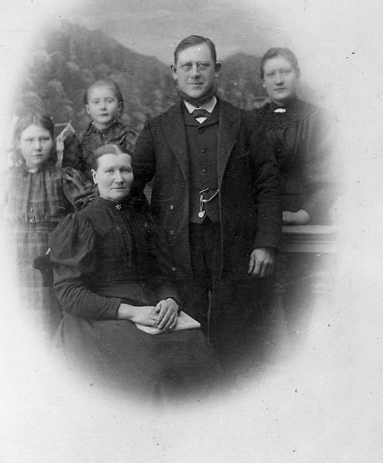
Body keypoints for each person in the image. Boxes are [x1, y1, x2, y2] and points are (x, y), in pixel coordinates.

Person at [132, 35, 282, 372]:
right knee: (188, 331)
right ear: (174, 71)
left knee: (236, 336)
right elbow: (131, 186)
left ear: (217, 69)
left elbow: (268, 185)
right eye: (187, 66)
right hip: (178, 247)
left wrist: (266, 243)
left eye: (203, 65)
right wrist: (150, 234)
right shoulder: (157, 128)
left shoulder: (245, 123)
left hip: (237, 246)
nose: (195, 73)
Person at [49, 144, 216, 399]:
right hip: (99, 318)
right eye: (110, 171)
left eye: (125, 170)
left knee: (198, 348)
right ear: (95, 176)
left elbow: (158, 275)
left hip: (149, 310)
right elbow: (69, 294)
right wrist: (132, 312)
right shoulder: (81, 222)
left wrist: (170, 299)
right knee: (153, 372)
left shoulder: (143, 219)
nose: (119, 178)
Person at [256, 47, 337, 340]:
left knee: (303, 305)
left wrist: (304, 213)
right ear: (263, 82)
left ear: (297, 75)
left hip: (308, 224)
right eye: (271, 74)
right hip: (263, 225)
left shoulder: (319, 118)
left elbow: (333, 174)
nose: (279, 80)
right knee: (261, 313)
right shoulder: (251, 121)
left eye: (285, 72)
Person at [4, 111, 95, 339]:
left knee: (48, 324)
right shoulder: (7, 179)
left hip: (51, 263)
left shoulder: (63, 177)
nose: (37, 147)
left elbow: (92, 212)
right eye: (29, 140)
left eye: (43, 139)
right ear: (18, 142)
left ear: (53, 141)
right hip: (13, 261)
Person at [62, 78, 138, 178]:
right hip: (87, 188)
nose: (103, 107)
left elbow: (138, 174)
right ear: (88, 109)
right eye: (96, 102)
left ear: (119, 106)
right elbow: (70, 177)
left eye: (109, 101)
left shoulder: (130, 138)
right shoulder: (77, 141)